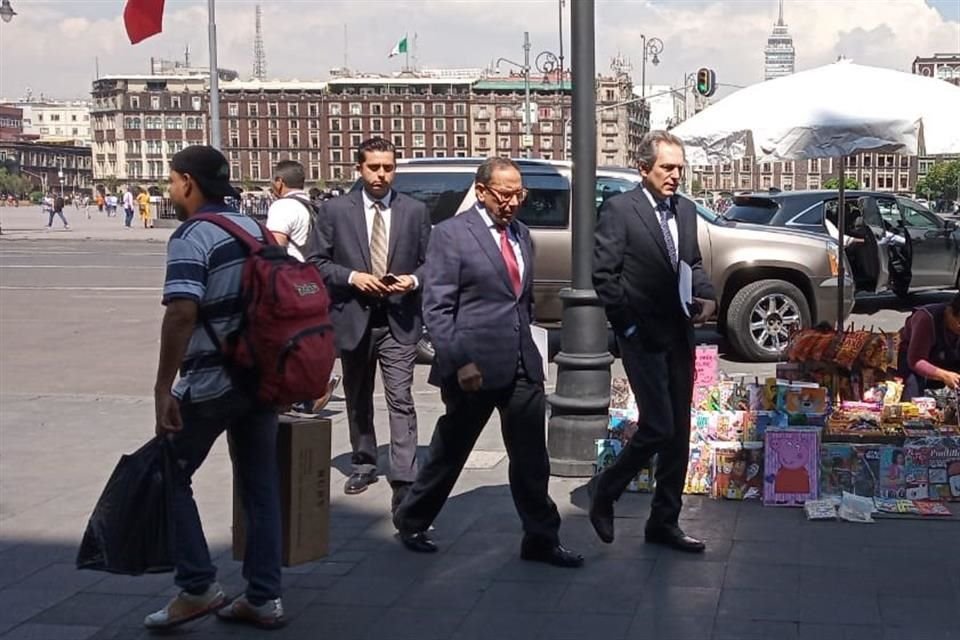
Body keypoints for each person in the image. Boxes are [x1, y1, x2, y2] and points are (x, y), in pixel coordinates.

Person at [392, 157, 583, 568]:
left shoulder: (522, 234)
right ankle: (412, 519)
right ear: (481, 192)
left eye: (519, 194)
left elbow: (523, 301)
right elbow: (438, 308)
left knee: (532, 457)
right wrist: (459, 361)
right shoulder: (451, 236)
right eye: (505, 194)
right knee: (451, 450)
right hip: (473, 368)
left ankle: (541, 538)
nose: (513, 202)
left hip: (521, 365)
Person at [145, 145, 285, 630]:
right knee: (260, 485)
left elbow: (182, 310)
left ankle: (198, 586)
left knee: (168, 470)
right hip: (262, 378)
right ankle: (264, 597)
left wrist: (164, 386)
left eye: (171, 180)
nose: (170, 189)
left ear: (187, 182)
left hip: (212, 382)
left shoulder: (192, 235)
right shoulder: (255, 229)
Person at [589, 130, 717, 553]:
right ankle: (606, 490)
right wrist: (625, 326)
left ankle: (664, 520)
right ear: (643, 168)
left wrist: (707, 297)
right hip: (640, 336)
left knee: (678, 432)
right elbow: (604, 275)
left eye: (680, 167)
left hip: (679, 332)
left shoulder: (685, 210)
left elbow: (691, 262)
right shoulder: (620, 210)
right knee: (657, 425)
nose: (675, 175)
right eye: (667, 167)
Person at [308, 137, 430, 511]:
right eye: (373, 167)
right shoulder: (334, 212)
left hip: (399, 319)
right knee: (359, 398)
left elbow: (432, 261)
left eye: (387, 168)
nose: (381, 175)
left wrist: (413, 280)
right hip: (353, 317)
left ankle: (404, 476)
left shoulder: (414, 211)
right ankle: (363, 461)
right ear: (359, 168)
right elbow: (316, 261)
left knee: (401, 397)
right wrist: (352, 278)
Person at [266, 160, 340, 413]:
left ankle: (307, 392)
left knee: (284, 341)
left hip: (291, 284)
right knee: (309, 338)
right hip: (314, 282)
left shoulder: (283, 206)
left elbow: (275, 246)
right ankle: (313, 387)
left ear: (279, 182)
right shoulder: (313, 204)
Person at [898, 292, 960, 397]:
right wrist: (944, 375)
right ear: (949, 311)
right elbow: (916, 361)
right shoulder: (926, 318)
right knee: (914, 399)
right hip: (914, 362)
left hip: (948, 360)